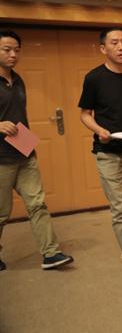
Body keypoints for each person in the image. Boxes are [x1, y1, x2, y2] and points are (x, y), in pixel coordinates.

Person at [78, 28, 122, 288]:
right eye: (115, 42)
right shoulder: (94, 78)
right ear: (103, 48)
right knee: (120, 208)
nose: (121, 47)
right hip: (107, 151)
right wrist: (99, 130)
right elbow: (85, 114)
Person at [0, 30, 74, 271]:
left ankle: (51, 254)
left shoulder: (18, 79)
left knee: (38, 204)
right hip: (1, 159)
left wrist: (29, 147)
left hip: (24, 153)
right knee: (1, 213)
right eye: (7, 50)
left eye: (16, 50)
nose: (13, 54)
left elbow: (19, 116)